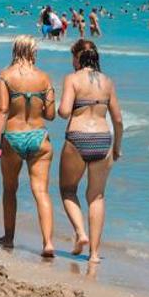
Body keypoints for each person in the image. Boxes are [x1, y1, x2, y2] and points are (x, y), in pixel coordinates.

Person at [0, 35, 56, 258]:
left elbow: (3, 110)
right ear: (33, 52)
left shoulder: (5, 76)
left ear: (15, 50)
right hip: (39, 137)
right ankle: (48, 243)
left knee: (9, 189)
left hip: (13, 137)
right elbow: (50, 115)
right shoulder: (44, 78)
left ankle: (9, 238)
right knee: (41, 192)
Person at [58, 39, 123, 264]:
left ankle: (80, 232)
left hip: (78, 138)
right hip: (103, 139)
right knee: (96, 196)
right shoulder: (108, 82)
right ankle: (94, 254)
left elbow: (65, 112)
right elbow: (118, 119)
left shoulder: (72, 79)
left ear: (78, 58)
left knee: (67, 190)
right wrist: (117, 148)